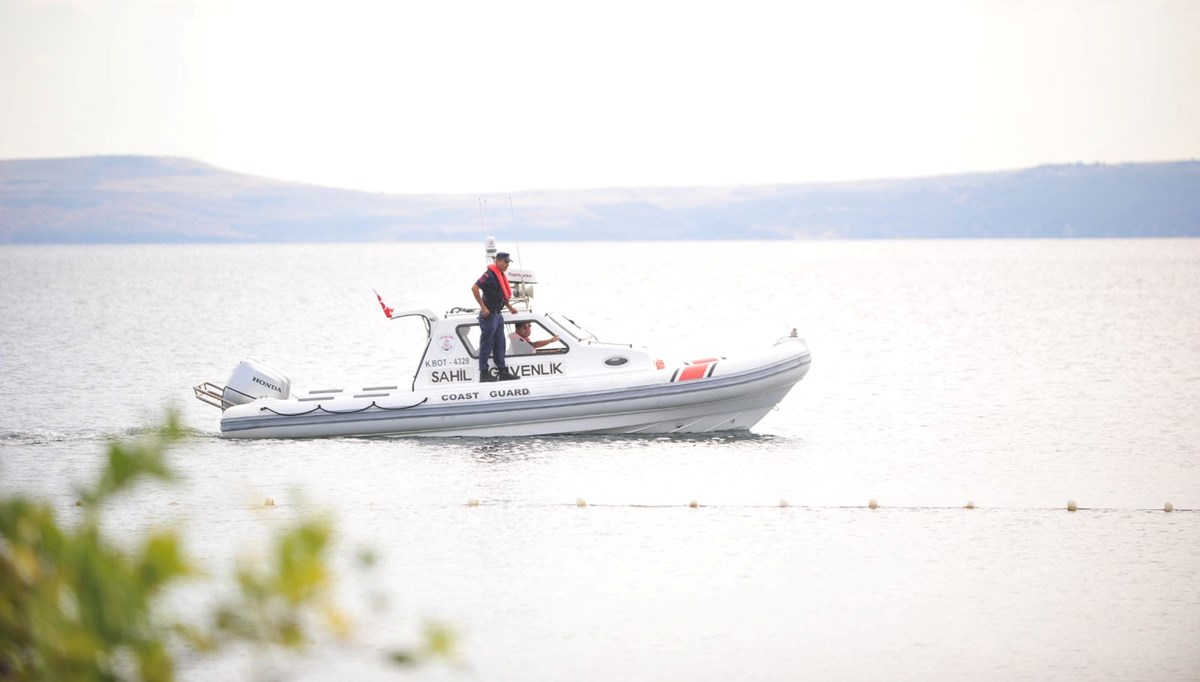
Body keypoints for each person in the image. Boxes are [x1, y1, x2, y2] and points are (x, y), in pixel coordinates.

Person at [471, 252, 520, 382]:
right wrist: (483, 307)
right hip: (489, 315)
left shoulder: (501, 276)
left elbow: (502, 294)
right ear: (497, 261)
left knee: (500, 344)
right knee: (487, 344)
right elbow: (474, 288)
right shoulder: (489, 275)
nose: (507, 264)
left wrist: (509, 308)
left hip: (498, 315)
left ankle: (503, 371)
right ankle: (484, 373)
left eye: (508, 262)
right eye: (505, 262)